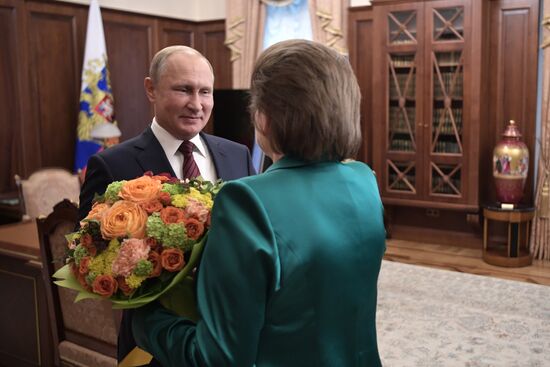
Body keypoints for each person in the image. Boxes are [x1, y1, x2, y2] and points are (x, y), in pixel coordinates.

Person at [132, 39, 386, 366]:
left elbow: (217, 358)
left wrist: (145, 318)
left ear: (264, 116)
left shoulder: (247, 201)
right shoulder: (365, 180)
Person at [78, 45, 255, 365]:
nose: (197, 104)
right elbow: (89, 255)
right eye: (183, 89)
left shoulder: (237, 154)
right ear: (151, 89)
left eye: (205, 92)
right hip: (151, 348)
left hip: (229, 337)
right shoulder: (111, 164)